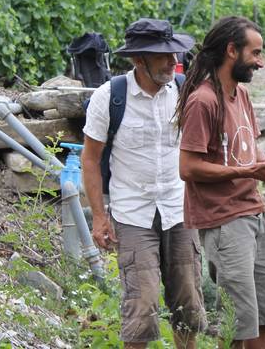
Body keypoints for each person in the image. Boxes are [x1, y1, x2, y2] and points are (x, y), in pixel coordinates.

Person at [81, 18, 206, 349]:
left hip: (180, 210)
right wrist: (98, 216)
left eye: (173, 54)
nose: (171, 62)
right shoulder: (110, 97)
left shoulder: (183, 90)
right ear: (139, 60)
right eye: (162, 56)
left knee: (189, 303)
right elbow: (90, 158)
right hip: (133, 213)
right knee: (142, 308)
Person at [176, 16, 265, 349]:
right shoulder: (203, 100)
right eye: (255, 53)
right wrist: (246, 172)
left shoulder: (242, 95)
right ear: (231, 50)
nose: (260, 62)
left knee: (264, 315)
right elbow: (188, 168)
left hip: (253, 213)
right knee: (238, 324)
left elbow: (244, 157)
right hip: (224, 221)